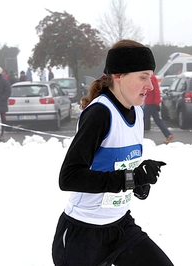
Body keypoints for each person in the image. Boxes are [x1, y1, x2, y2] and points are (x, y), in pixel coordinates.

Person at [52, 39, 174, 266]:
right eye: (143, 77)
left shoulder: (136, 112)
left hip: (119, 228)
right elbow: (69, 177)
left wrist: (139, 182)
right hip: (83, 235)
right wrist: (131, 179)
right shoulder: (99, 113)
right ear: (118, 75)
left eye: (151, 77)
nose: (151, 86)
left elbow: (118, 167)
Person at [144, 74, 175, 144]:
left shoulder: (151, 78)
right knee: (157, 119)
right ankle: (168, 135)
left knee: (144, 118)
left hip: (151, 102)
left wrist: (157, 102)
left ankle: (141, 138)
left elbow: (156, 91)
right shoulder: (149, 77)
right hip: (150, 101)